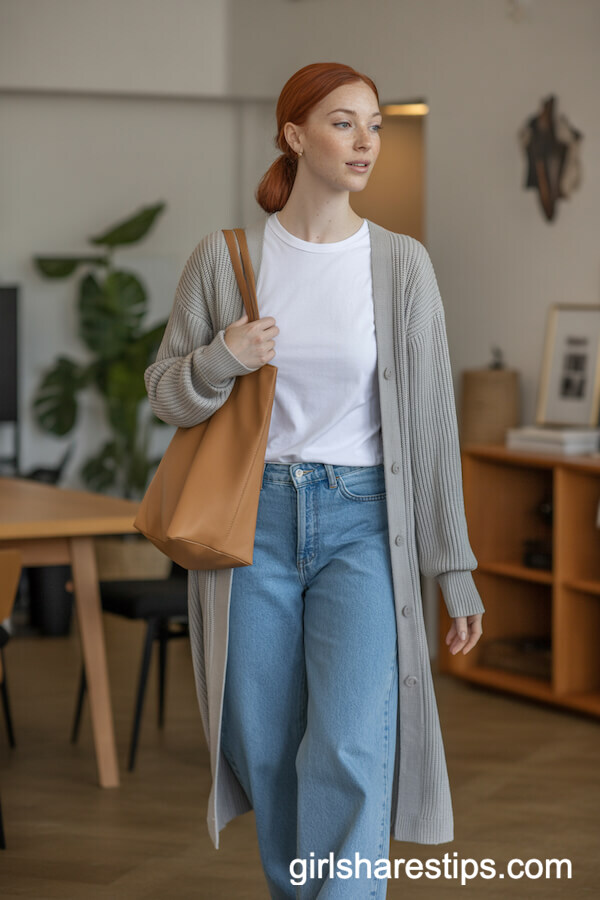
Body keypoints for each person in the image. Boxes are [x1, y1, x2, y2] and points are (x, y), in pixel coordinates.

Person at [144, 61, 485, 900]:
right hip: (249, 524)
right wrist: (224, 356)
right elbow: (164, 394)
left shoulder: (402, 267)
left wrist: (454, 567)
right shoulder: (224, 259)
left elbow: (434, 426)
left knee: (350, 744)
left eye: (374, 124)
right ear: (295, 135)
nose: (366, 140)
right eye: (343, 122)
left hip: (365, 523)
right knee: (264, 743)